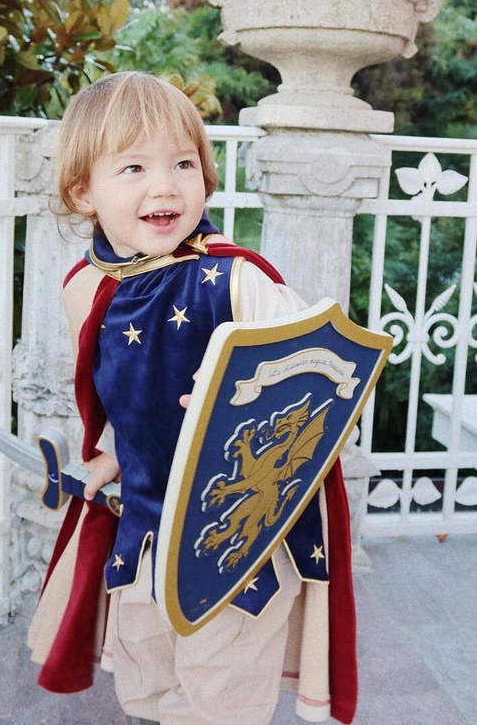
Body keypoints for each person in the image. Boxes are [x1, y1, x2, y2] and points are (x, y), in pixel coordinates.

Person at [28, 72, 358, 725]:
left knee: (216, 695)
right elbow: (118, 397)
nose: (165, 185)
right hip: (146, 527)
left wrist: (238, 409)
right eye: (134, 167)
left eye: (184, 163)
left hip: (238, 539)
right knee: (147, 677)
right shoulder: (86, 288)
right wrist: (108, 457)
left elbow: (323, 386)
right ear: (82, 190)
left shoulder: (234, 280)